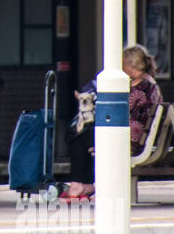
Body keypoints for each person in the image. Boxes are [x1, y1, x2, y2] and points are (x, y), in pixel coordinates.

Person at [62, 44, 163, 201]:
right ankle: (85, 184)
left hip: (130, 140)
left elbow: (117, 112)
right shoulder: (150, 84)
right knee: (84, 135)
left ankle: (81, 184)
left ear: (130, 65)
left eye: (121, 63)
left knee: (77, 135)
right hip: (142, 138)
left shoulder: (139, 88)